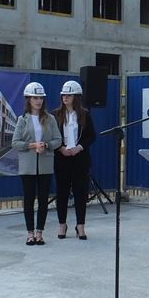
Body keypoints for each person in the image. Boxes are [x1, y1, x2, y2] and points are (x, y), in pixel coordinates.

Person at [12, 82, 62, 246]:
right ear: (28, 99)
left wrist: (46, 145)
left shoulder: (50, 119)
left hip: (45, 165)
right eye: (35, 98)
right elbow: (15, 143)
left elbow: (58, 140)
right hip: (27, 166)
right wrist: (33, 145)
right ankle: (30, 233)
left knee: (43, 199)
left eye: (41, 98)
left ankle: (40, 233)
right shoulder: (22, 119)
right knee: (28, 199)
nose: (38, 101)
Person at [53, 79, 96, 240]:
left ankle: (80, 225)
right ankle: (62, 224)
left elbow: (91, 136)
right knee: (62, 192)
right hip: (62, 158)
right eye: (63, 95)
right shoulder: (55, 114)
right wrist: (60, 148)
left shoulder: (85, 114)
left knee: (80, 192)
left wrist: (80, 147)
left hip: (80, 159)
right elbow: (51, 136)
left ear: (76, 97)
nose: (65, 97)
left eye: (69, 95)